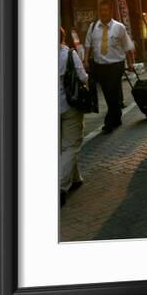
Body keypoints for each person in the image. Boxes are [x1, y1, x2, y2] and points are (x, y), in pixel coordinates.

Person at [84, 0, 135, 134]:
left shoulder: (119, 27)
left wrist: (131, 62)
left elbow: (127, 46)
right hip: (100, 66)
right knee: (108, 93)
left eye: (106, 10)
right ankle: (117, 117)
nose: (103, 13)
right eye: (101, 10)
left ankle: (109, 122)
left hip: (115, 65)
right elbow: (88, 44)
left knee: (112, 91)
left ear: (111, 11)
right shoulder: (93, 26)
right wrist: (85, 60)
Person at [59, 27, 87, 206]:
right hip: (68, 105)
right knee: (70, 145)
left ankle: (75, 177)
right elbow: (82, 76)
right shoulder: (69, 54)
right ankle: (60, 187)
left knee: (63, 146)